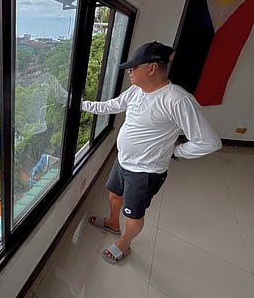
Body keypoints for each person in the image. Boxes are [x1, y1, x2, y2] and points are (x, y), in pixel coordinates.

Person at [81, 41, 221, 264]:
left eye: (133, 67)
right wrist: (81, 104)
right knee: (114, 194)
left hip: (146, 172)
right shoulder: (136, 90)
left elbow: (209, 142)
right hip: (123, 160)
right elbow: (112, 106)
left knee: (134, 213)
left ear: (152, 68)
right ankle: (113, 223)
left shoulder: (177, 99)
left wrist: (176, 152)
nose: (129, 72)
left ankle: (125, 243)